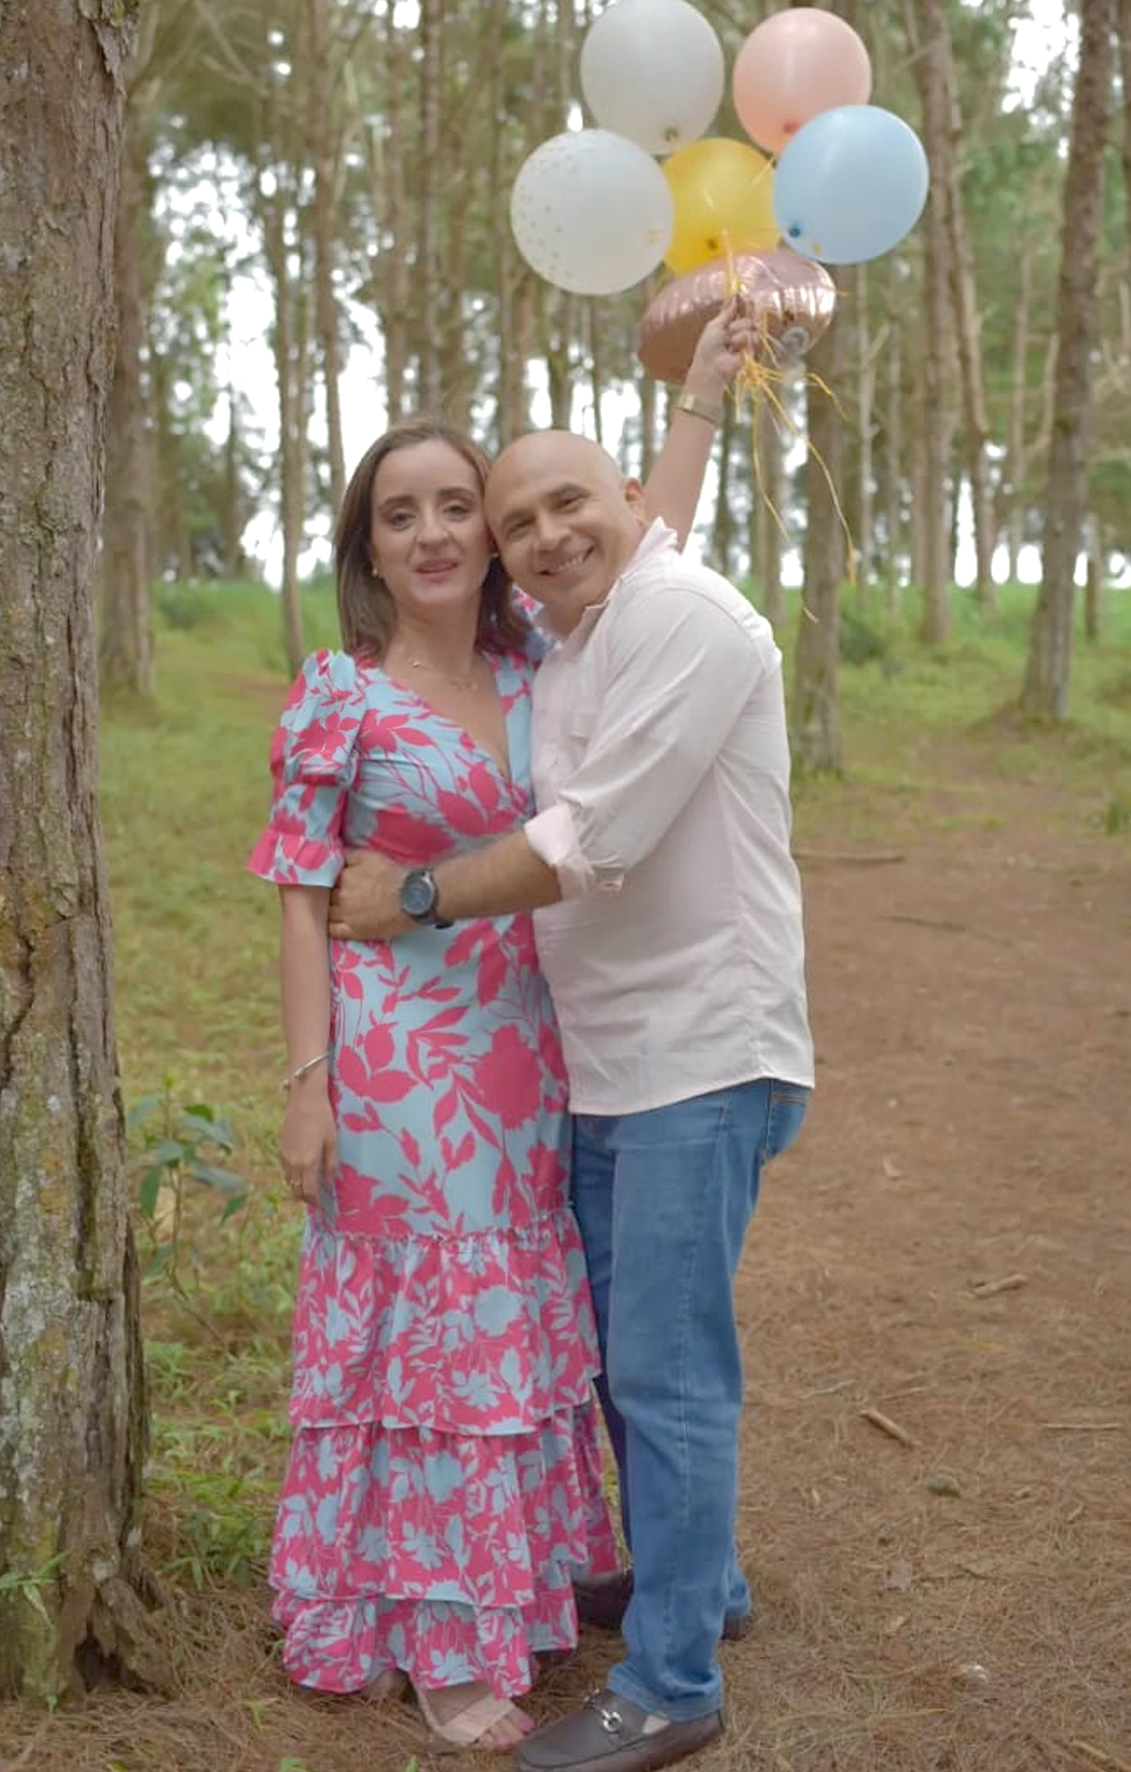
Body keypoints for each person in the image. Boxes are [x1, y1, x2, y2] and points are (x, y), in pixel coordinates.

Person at [248, 317, 746, 1754]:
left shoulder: (543, 659)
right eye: (399, 514)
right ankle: (436, 1641)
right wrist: (306, 1086)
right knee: (425, 1350)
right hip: (398, 1068)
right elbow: (300, 902)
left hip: (535, 1058)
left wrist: (701, 400)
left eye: (456, 505)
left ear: (492, 529)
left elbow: (641, 541)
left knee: (513, 1334)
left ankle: (506, 1588)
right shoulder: (340, 695)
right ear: (370, 545)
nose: (433, 534)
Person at [329, 429, 815, 1772]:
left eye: (570, 505)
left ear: (630, 502)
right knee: (615, 1355)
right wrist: (703, 395)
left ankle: (671, 1684)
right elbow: (618, 531)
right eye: (520, 523)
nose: (547, 537)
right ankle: (698, 1585)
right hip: (602, 1064)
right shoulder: (576, 632)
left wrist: (415, 894)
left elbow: (591, 840)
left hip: (698, 1059)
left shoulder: (691, 621)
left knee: (665, 1370)